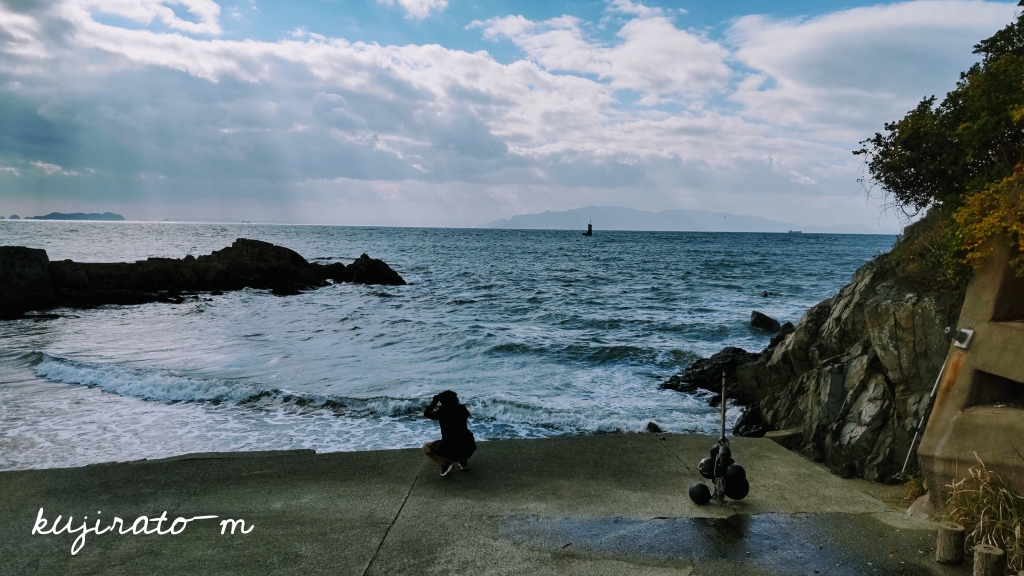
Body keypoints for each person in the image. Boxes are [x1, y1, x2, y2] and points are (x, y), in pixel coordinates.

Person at [422, 390, 477, 476]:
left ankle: (445, 465)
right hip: (468, 450)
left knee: (426, 447)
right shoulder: (462, 409)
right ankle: (463, 463)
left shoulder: (442, 412)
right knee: (465, 434)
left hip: (450, 453)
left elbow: (426, 413)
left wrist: (435, 401)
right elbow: (462, 412)